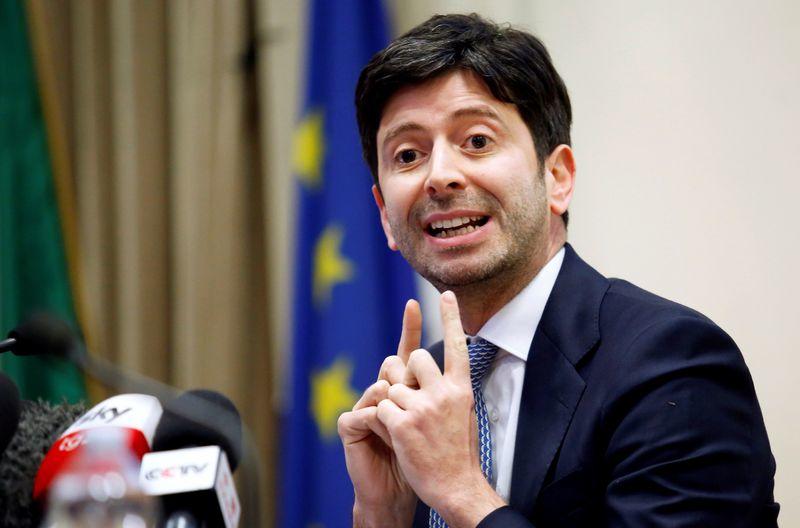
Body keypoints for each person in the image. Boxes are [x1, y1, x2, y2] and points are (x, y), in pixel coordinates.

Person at [337, 13, 778, 528]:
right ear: (385, 217)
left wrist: (460, 492)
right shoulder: (419, 391)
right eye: (409, 154)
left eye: (476, 141)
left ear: (558, 177)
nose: (440, 176)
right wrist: (381, 517)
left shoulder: (672, 363)